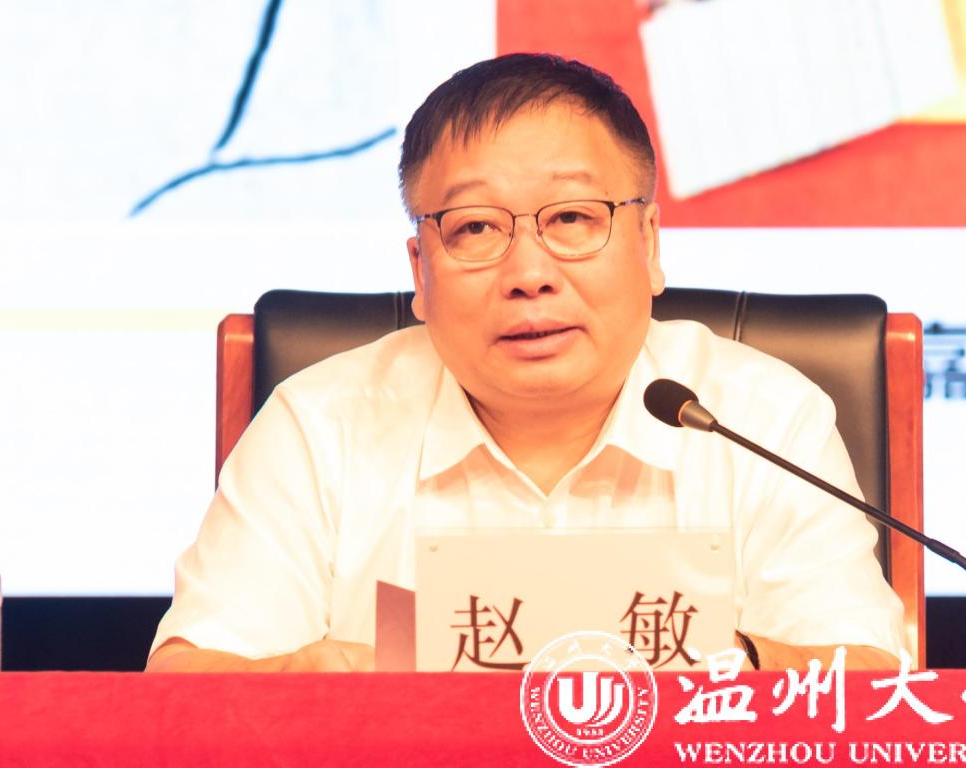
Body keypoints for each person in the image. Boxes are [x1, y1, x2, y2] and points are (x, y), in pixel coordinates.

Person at [147, 53, 904, 673]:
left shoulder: (761, 418)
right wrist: (315, 681)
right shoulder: (319, 427)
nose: (529, 274)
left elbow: (867, 679)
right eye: (476, 228)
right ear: (420, 271)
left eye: (572, 217)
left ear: (649, 244)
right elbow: (187, 686)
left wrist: (716, 658)